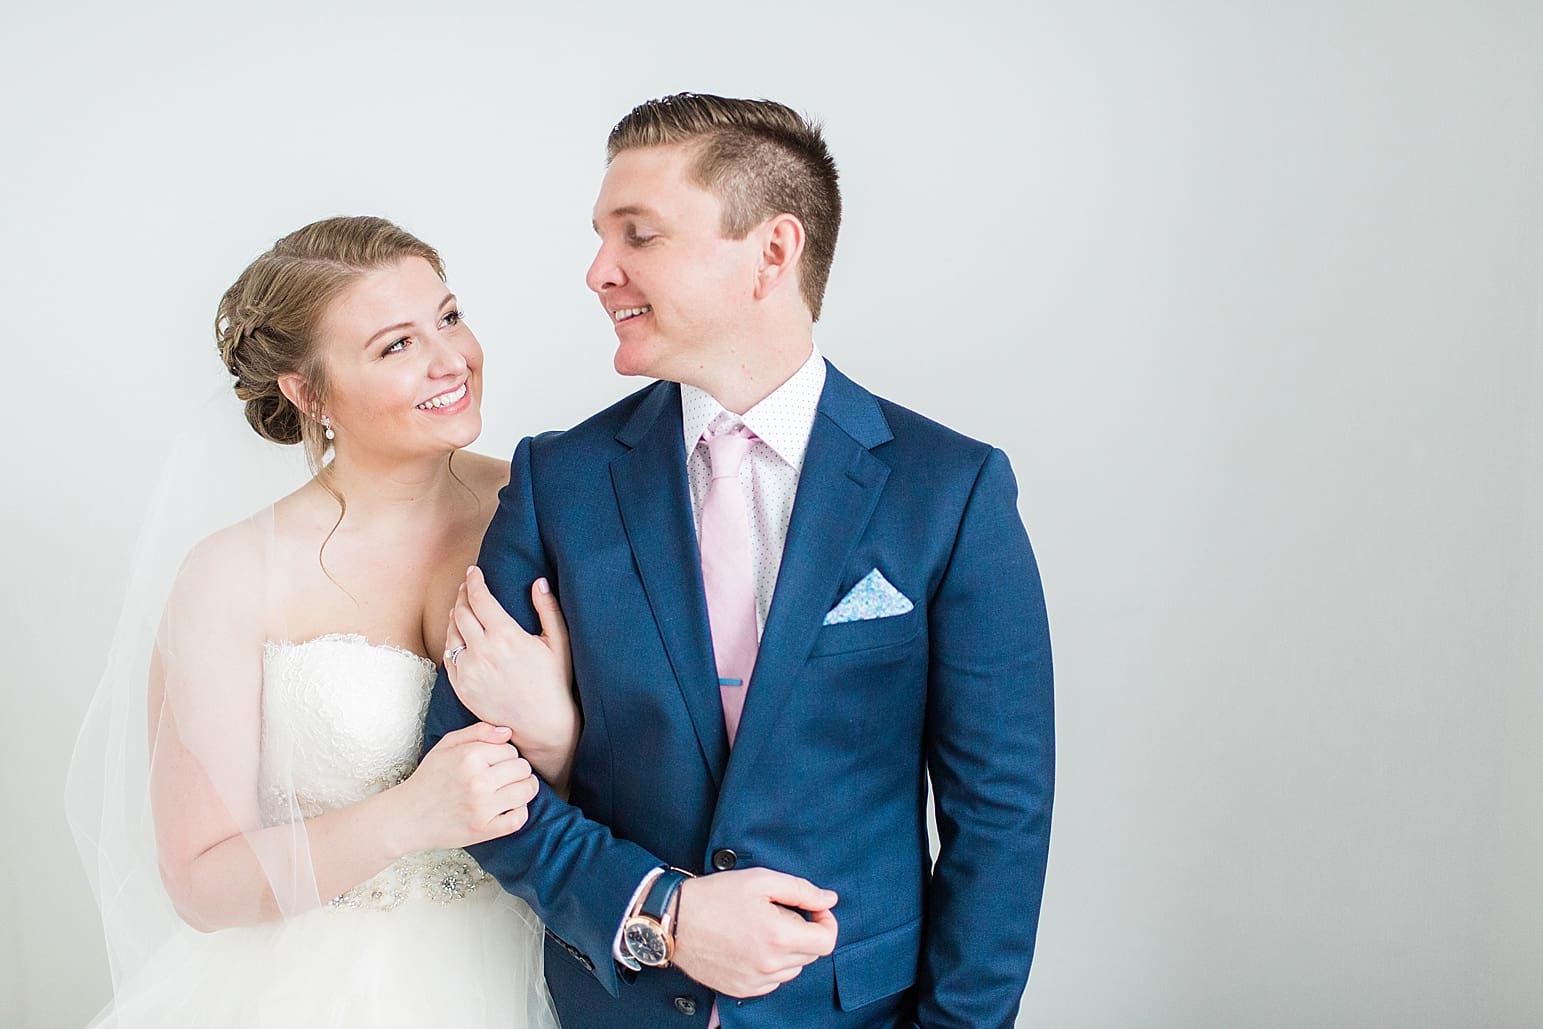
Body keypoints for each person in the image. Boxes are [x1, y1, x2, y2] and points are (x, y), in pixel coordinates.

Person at [426, 94, 1055, 1028]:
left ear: (771, 252)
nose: (599, 271)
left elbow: (999, 818)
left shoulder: (949, 490)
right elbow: (464, 768)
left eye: (638, 235)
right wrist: (658, 912)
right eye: (600, 237)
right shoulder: (558, 479)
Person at [69, 216, 571, 1028]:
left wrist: (557, 734)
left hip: (553, 967)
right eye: (394, 345)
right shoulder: (233, 575)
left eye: (447, 317)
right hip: (320, 991)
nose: (451, 361)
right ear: (308, 392)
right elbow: (199, 878)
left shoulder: (554, 507)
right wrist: (411, 814)